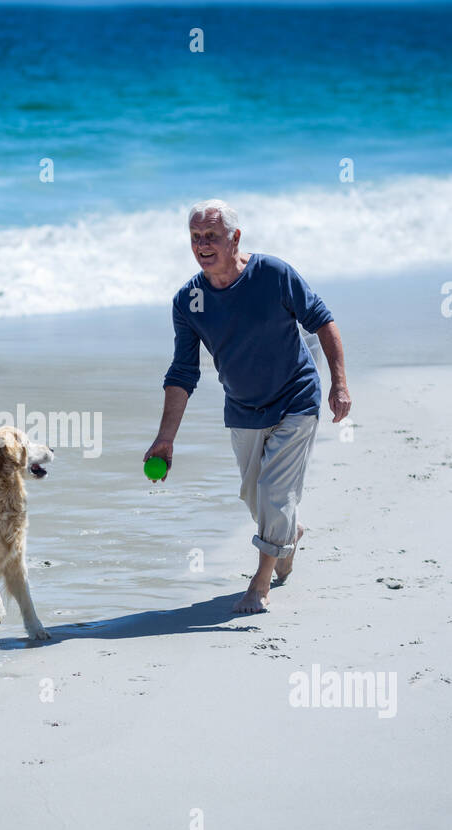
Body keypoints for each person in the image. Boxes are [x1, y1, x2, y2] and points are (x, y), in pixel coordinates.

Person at [144, 199, 352, 613]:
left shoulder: (273, 274)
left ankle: (260, 583)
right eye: (195, 238)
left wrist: (339, 383)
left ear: (235, 238)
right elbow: (183, 372)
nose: (202, 245)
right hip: (243, 407)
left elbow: (322, 319)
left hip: (297, 395)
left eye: (211, 237)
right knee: (255, 497)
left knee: (275, 494)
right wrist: (165, 438)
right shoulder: (189, 301)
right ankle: (288, 534)